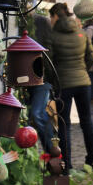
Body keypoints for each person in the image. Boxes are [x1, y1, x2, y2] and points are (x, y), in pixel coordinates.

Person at [45, 2, 93, 172]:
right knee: (86, 122)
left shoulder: (53, 36)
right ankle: (92, 160)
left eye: (50, 17)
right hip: (83, 82)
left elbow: (49, 63)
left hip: (63, 85)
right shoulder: (81, 33)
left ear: (55, 16)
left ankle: (66, 164)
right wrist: (83, 69)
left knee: (64, 125)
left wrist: (53, 80)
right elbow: (92, 56)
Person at [24, 11, 58, 155]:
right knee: (37, 115)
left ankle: (53, 151)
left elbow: (50, 53)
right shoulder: (22, 22)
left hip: (42, 78)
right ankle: (50, 152)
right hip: (26, 78)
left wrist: (47, 75)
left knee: (38, 114)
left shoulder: (42, 22)